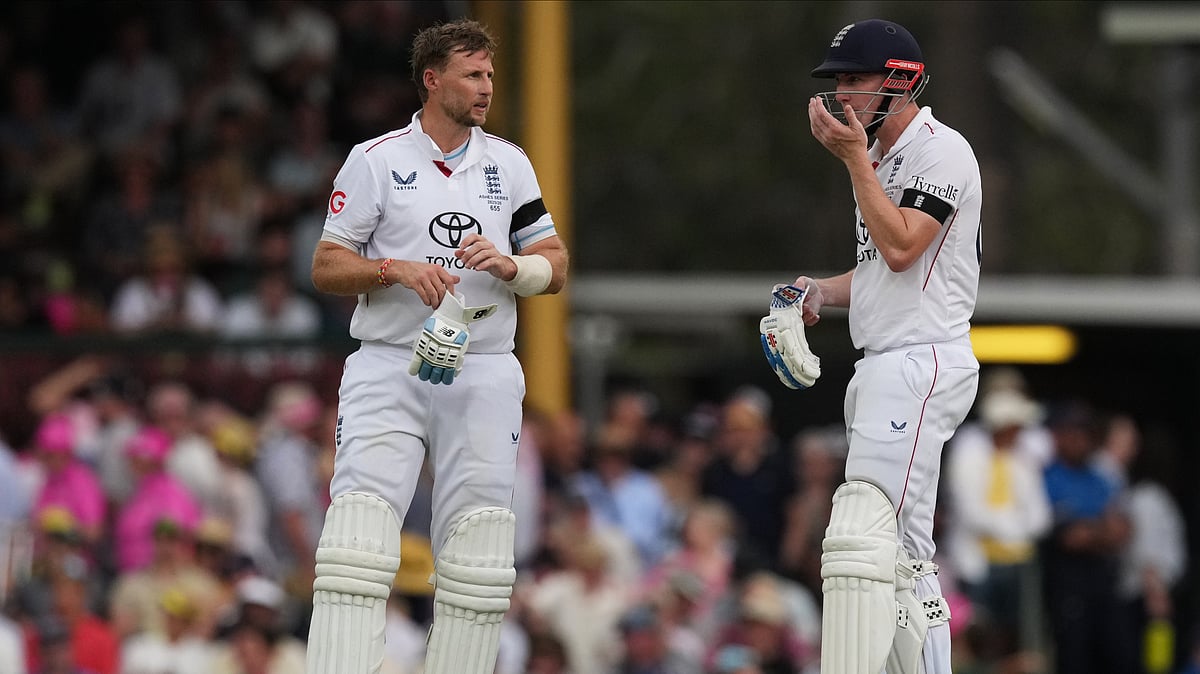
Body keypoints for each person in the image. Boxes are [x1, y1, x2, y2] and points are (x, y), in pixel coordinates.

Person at [305, 17, 569, 674]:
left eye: (489, 75)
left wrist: (512, 266)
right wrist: (395, 270)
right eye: (473, 75)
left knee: (478, 552)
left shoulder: (508, 162)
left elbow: (556, 264)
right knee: (358, 541)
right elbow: (327, 267)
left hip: (482, 367)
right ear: (432, 78)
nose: (485, 88)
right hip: (389, 363)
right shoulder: (377, 159)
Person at [762, 19, 983, 674]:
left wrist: (857, 161)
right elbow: (883, 269)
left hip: (922, 358)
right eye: (838, 82)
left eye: (854, 81)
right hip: (885, 362)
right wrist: (817, 292)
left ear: (900, 81)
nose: (842, 96)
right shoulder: (883, 158)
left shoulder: (941, 150)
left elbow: (904, 243)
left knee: (861, 539)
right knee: (903, 557)